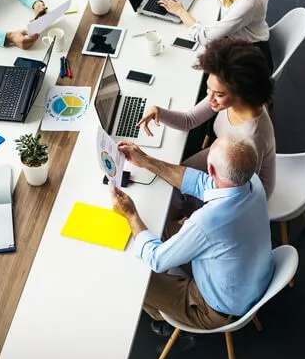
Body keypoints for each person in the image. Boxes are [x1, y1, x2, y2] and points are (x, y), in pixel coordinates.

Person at [110, 135, 274, 339]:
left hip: (216, 310)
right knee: (167, 228)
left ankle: (164, 317)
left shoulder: (207, 221)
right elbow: (198, 182)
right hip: (252, 279)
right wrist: (146, 161)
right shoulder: (252, 182)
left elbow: (157, 259)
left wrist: (131, 214)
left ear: (212, 170)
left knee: (131, 276)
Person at [138, 37, 276, 198]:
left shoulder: (252, 137)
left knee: (173, 189)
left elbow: (239, 192)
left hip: (246, 188)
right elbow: (189, 120)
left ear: (241, 93)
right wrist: (158, 112)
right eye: (209, 89)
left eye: (218, 94)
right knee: (173, 180)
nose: (210, 98)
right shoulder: (225, 98)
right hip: (224, 156)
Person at [160, 0, 273, 69]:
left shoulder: (249, 2)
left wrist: (180, 12)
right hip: (240, 38)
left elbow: (205, 37)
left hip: (246, 56)